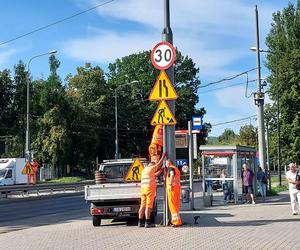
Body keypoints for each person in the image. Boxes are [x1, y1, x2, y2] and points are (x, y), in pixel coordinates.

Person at [138, 152, 167, 228]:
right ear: (152, 165)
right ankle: (147, 222)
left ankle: (140, 222)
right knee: (148, 206)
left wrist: (161, 170)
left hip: (143, 189)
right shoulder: (152, 167)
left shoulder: (144, 170)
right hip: (149, 189)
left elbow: (155, 174)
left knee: (142, 205)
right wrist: (163, 156)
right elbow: (159, 164)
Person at [166, 159, 182, 227]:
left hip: (172, 188)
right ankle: (178, 221)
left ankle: (175, 222)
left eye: (166, 163)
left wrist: (170, 184)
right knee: (176, 205)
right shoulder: (176, 169)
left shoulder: (171, 168)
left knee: (172, 205)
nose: (166, 164)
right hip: (177, 188)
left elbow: (172, 175)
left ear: (169, 163)